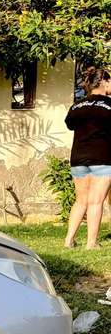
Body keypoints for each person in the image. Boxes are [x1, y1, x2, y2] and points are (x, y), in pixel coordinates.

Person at [64, 66, 111, 249]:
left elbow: (70, 125)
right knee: (96, 201)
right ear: (104, 81)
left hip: (78, 159)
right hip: (102, 158)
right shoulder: (109, 106)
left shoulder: (77, 105)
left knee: (81, 201)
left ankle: (69, 240)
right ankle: (91, 243)